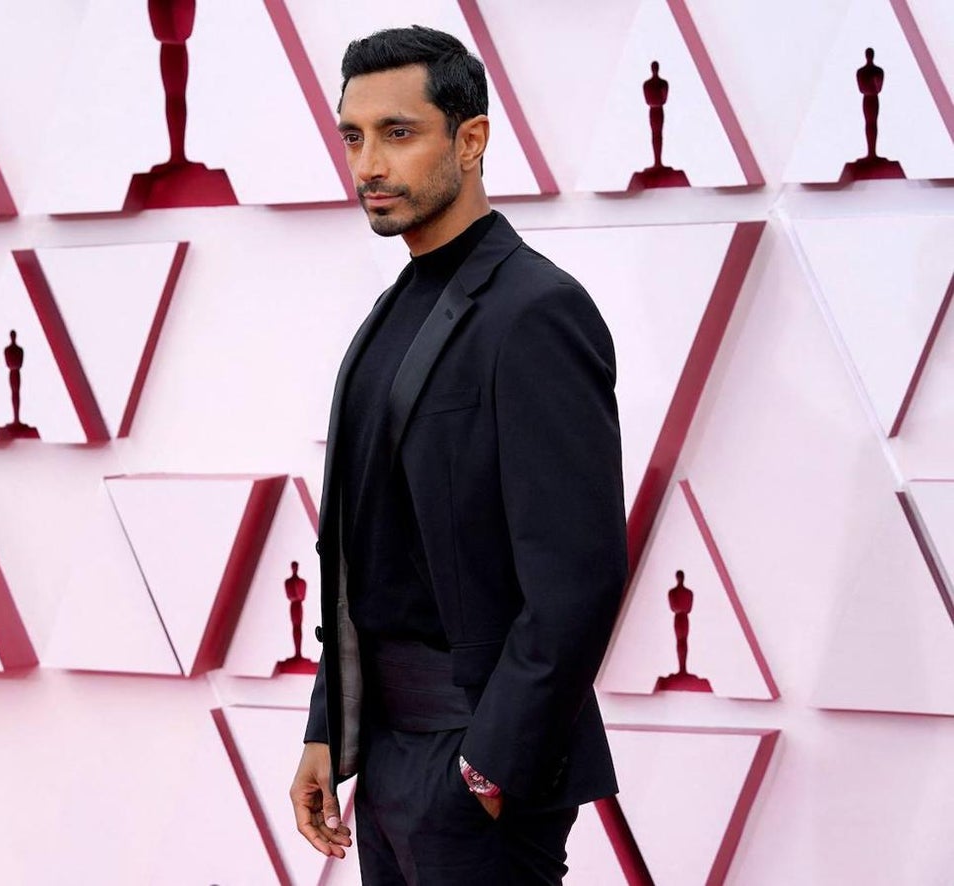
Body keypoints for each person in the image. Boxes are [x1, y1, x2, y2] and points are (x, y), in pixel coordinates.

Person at [288, 26, 627, 885]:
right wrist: (330, 724)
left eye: (398, 134)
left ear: (470, 140)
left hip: (476, 768)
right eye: (353, 137)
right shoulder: (391, 313)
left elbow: (577, 577)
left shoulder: (536, 312)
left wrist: (488, 767)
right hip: (390, 754)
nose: (369, 163)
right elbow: (366, 556)